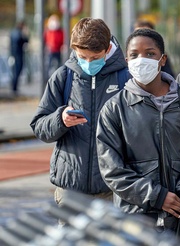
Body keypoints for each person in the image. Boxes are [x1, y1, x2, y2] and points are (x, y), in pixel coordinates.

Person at [96, 28, 180, 243]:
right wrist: (157, 196)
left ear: (162, 59)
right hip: (136, 217)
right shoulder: (114, 109)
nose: (141, 59)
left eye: (150, 53)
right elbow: (112, 170)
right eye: (134, 55)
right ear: (127, 60)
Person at [30, 18, 128, 217]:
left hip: (112, 188)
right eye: (82, 56)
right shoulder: (62, 77)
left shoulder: (125, 78)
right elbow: (39, 126)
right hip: (70, 189)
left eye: (95, 57)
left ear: (108, 49)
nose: (88, 63)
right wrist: (60, 119)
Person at [9, 20, 29, 96]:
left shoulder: (13, 32)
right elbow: (25, 41)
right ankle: (14, 87)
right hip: (18, 54)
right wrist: (25, 34)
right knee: (17, 70)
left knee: (15, 71)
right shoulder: (19, 33)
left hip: (14, 54)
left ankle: (14, 87)